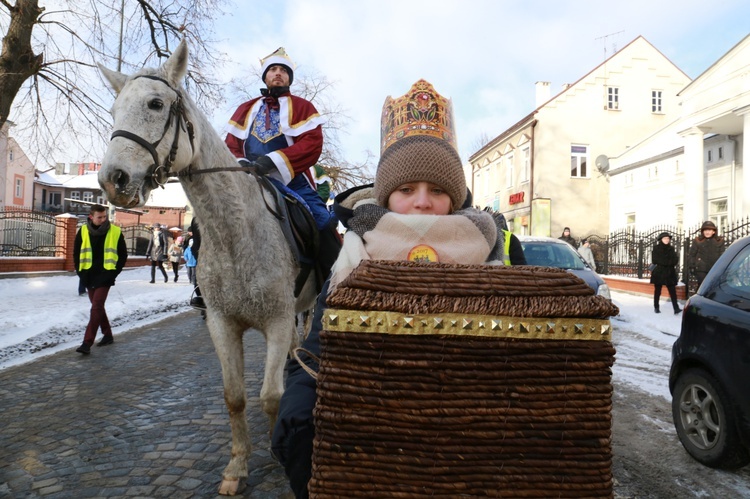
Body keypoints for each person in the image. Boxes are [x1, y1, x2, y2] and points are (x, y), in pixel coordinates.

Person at [271, 79, 517, 498]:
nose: (422, 202)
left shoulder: (492, 246)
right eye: (406, 190)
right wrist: (298, 412)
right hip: (373, 438)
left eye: (438, 190)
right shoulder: (356, 250)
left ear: (455, 198)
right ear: (387, 195)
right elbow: (316, 349)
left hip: (471, 441)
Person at [73, 204, 128, 354]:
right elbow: (76, 253)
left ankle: (87, 342)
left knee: (96, 306)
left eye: (105, 216)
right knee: (98, 308)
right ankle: (108, 335)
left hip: (105, 276)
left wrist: (113, 273)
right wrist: (80, 273)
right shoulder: (83, 230)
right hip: (88, 275)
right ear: (91, 217)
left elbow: (123, 255)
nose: (103, 219)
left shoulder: (115, 231)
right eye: (100, 217)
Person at [650, 232, 681, 314]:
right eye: (665, 238)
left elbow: (675, 260)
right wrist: (668, 262)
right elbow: (655, 260)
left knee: (672, 291)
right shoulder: (656, 248)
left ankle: (676, 308)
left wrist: (666, 262)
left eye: (668, 238)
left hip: (669, 272)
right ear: (661, 240)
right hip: (659, 272)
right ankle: (656, 307)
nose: (667, 240)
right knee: (657, 290)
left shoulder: (671, 248)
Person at [688, 220, 725, 289]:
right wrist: (692, 266)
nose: (707, 232)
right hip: (701, 270)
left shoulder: (719, 241)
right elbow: (692, 254)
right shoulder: (698, 241)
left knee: (713, 288)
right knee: (702, 288)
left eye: (709, 230)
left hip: (714, 269)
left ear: (713, 231)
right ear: (702, 231)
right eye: (705, 230)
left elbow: (723, 256)